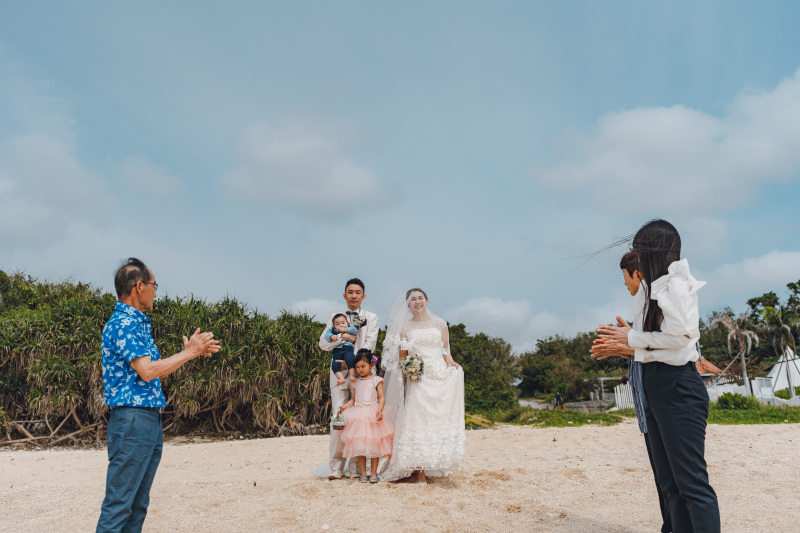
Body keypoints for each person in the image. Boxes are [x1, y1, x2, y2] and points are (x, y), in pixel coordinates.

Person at [594, 220, 720, 533]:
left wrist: (631, 339)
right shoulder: (652, 288)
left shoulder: (676, 286)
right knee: (670, 485)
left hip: (679, 388)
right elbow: (653, 341)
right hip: (657, 385)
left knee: (691, 485)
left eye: (639, 248)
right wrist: (628, 340)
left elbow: (681, 339)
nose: (635, 254)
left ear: (654, 252)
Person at [97, 258, 221, 533]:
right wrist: (188, 353)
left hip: (145, 420)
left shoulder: (137, 325)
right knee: (119, 505)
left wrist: (189, 355)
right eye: (154, 285)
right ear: (138, 286)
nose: (156, 291)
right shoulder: (124, 323)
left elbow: (151, 371)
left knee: (137, 504)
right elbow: (147, 371)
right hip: (132, 420)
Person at [590, 249, 671, 533]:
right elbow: (646, 350)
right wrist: (624, 348)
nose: (625, 285)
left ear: (637, 274)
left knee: (670, 478)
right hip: (646, 407)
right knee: (662, 477)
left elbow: (663, 350)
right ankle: (669, 525)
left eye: (626, 278)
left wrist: (625, 344)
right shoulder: (643, 310)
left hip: (657, 403)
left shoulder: (659, 306)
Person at [379, 288, 465, 484]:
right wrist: (410, 368)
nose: (417, 302)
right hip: (418, 378)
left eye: (420, 298)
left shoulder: (440, 324)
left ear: (427, 301)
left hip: (439, 375)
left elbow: (446, 351)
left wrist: (452, 364)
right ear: (408, 305)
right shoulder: (405, 327)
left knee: (436, 421)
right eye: (413, 299)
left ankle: (433, 462)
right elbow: (402, 357)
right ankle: (418, 471)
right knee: (417, 420)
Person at [317, 278, 379, 480]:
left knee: (361, 420)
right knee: (338, 417)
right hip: (338, 375)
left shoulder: (372, 317)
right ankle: (337, 466)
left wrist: (355, 364)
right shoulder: (334, 318)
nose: (354, 295)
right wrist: (343, 340)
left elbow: (370, 346)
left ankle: (356, 468)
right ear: (344, 295)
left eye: (357, 292)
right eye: (350, 292)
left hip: (362, 375)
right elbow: (323, 345)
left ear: (363, 296)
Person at [338, 349, 394, 484]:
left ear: (371, 365)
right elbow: (353, 399)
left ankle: (373, 472)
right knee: (360, 446)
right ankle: (363, 473)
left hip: (372, 414)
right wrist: (345, 407)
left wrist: (380, 410)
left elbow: (381, 397)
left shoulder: (376, 380)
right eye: (357, 367)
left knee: (375, 445)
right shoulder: (356, 382)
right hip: (358, 415)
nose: (360, 369)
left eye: (363, 366)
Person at [324, 313, 361, 387]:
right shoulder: (332, 330)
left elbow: (354, 330)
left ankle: (352, 376)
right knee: (334, 364)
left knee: (350, 359)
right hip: (337, 351)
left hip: (347, 349)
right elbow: (326, 335)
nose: (340, 325)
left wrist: (345, 329)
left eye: (343, 323)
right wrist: (331, 336)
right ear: (334, 327)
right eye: (337, 324)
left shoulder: (350, 328)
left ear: (348, 323)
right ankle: (341, 378)